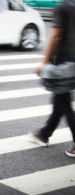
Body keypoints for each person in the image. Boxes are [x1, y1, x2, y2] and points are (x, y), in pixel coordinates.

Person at [29, 0, 75, 157]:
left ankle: (44, 134)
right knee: (61, 100)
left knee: (64, 103)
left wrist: (43, 61)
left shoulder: (62, 7)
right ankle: (44, 133)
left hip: (64, 61)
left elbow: (55, 35)